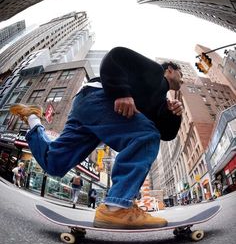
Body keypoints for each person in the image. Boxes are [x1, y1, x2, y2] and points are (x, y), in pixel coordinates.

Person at [9, 46, 183, 229]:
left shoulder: (163, 101)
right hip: (99, 97)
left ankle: (33, 118)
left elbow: (166, 134)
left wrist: (174, 114)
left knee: (55, 163)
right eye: (181, 74)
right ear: (169, 70)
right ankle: (117, 208)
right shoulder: (155, 72)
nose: (182, 80)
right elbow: (116, 57)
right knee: (146, 135)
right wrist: (121, 93)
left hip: (85, 106)